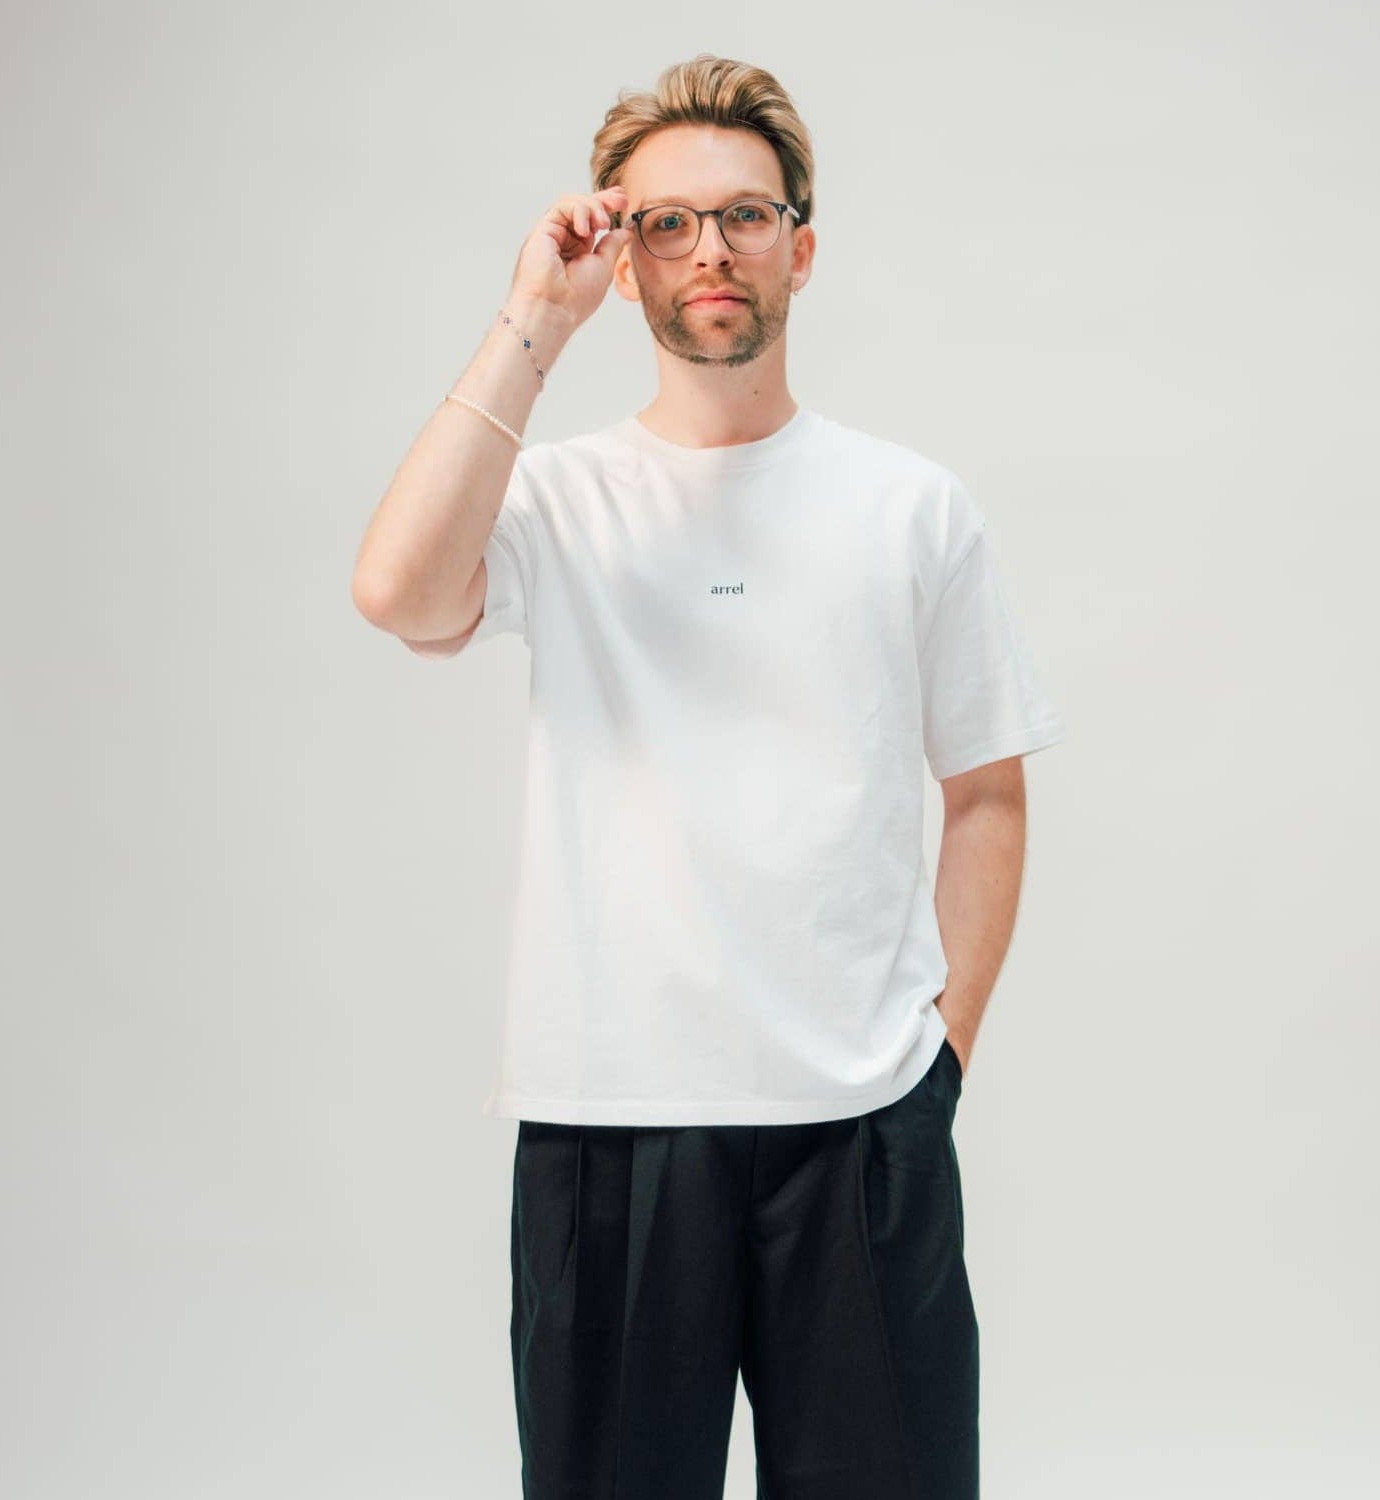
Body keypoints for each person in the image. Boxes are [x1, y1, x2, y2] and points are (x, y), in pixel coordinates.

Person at [352, 52, 1065, 1500]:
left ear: (801, 247)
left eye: (745, 215)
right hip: (609, 1121)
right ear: (625, 262)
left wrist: (936, 1067)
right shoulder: (558, 496)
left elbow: (986, 793)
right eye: (665, 223)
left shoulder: (910, 508)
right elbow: (400, 594)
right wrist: (532, 324)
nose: (710, 251)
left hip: (862, 1128)